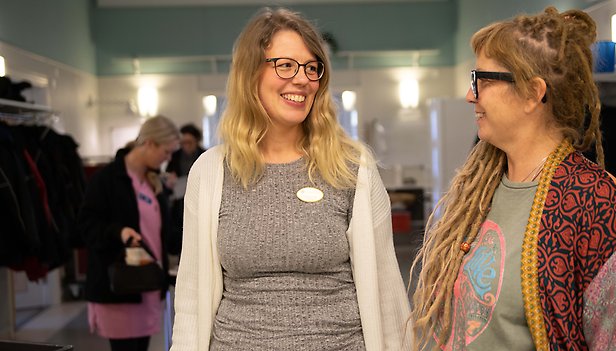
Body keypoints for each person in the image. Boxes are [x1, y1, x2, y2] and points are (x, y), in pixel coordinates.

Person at [410, 7, 616, 351]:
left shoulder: (596, 202)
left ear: (533, 93)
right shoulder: (482, 187)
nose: (471, 95)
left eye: (481, 80)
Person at [170, 7, 412, 351]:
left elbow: (386, 289)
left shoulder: (351, 166)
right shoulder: (210, 171)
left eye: (312, 68)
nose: (302, 79)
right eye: (285, 65)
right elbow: (191, 299)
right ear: (250, 74)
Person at [78, 115, 180, 351]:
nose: (168, 159)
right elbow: (87, 224)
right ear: (150, 143)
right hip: (120, 287)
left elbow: (163, 233)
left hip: (148, 284)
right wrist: (119, 232)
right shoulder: (106, 179)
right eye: (166, 152)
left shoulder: (154, 182)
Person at [165, 123, 206, 254]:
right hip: (179, 201)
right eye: (183, 143)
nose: (186, 146)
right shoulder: (175, 156)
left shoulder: (204, 155)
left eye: (189, 142)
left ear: (196, 141)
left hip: (200, 199)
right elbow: (168, 173)